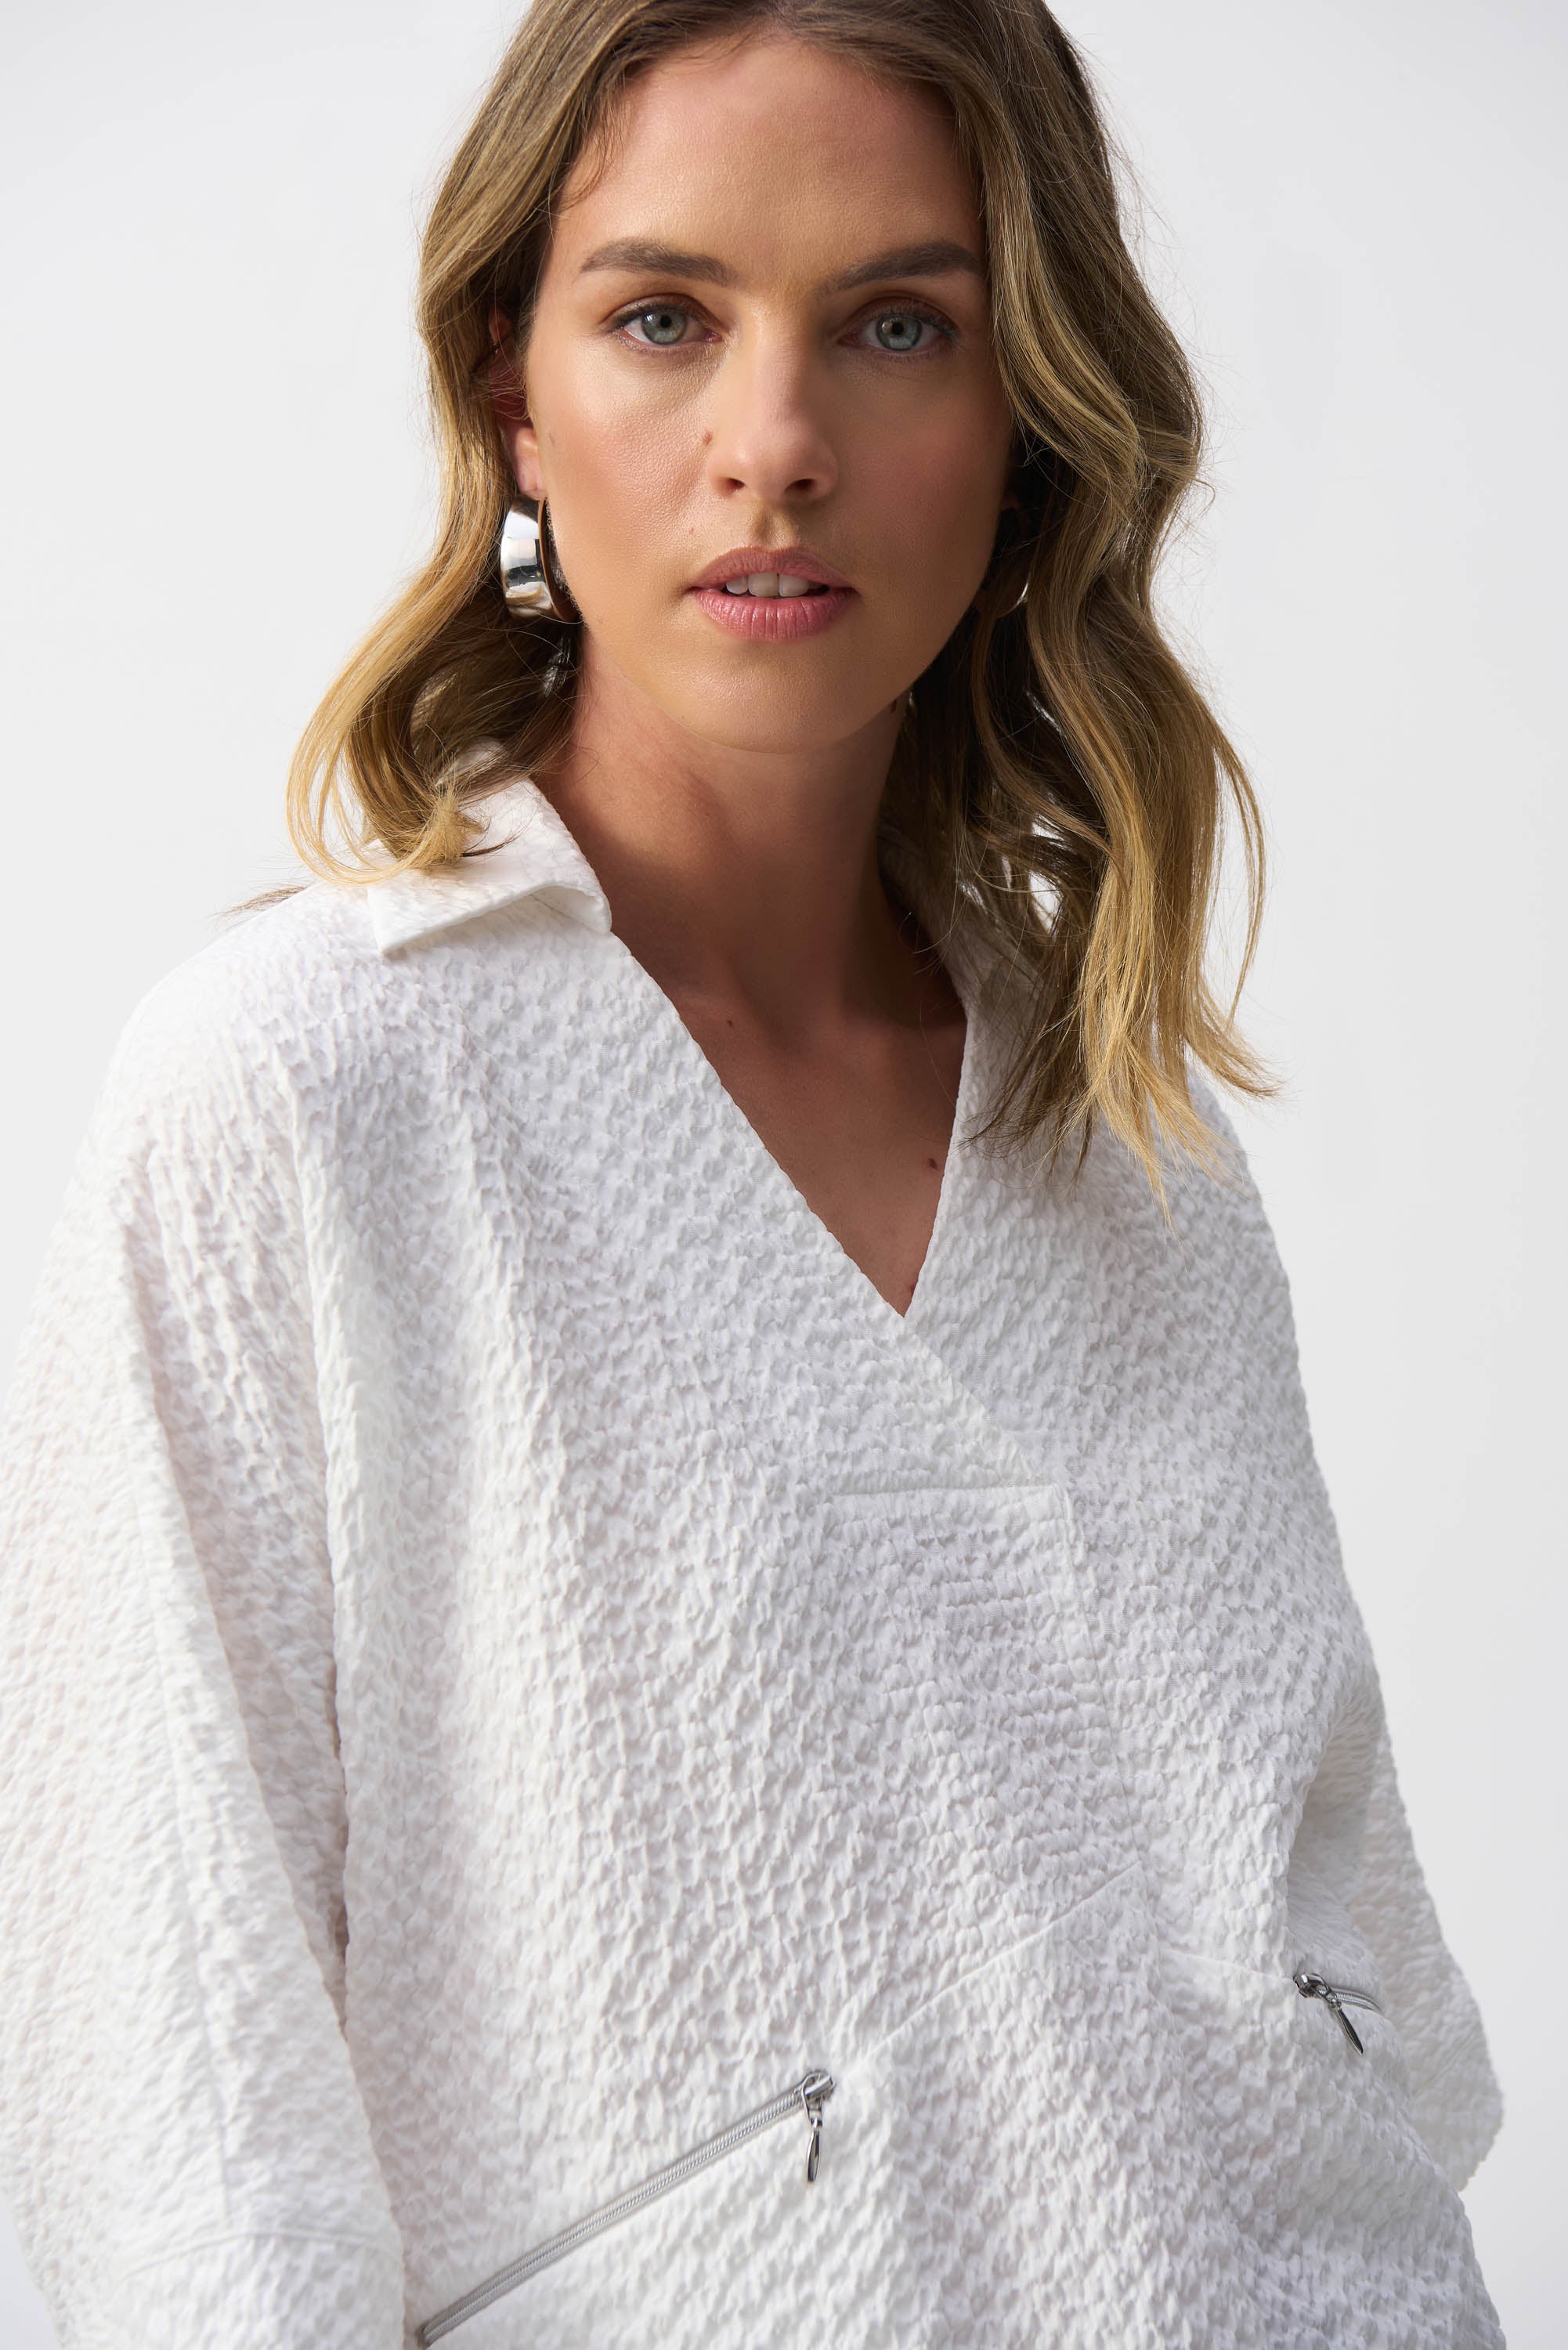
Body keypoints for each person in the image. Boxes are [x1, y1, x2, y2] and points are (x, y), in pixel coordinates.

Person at [0, 2, 1503, 2344]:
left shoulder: (1134, 1151)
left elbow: (1360, 2035)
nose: (773, 445)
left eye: (898, 324)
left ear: (1027, 419)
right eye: (663, 318)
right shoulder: (297, 1101)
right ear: (512, 390)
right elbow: (169, 2122)